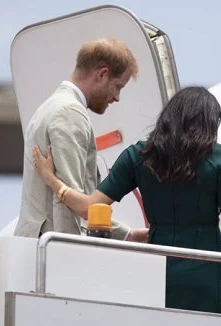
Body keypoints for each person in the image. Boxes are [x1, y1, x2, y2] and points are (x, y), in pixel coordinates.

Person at [32, 86, 221, 316]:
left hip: (156, 271)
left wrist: (51, 179)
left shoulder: (138, 156)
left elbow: (89, 208)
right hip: (203, 273)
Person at [14, 38, 147, 242]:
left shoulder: (50, 106)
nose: (117, 97)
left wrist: (127, 235)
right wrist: (71, 255)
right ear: (102, 74)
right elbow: (67, 204)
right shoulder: (69, 113)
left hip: (35, 245)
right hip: (54, 251)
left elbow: (73, 199)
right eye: (118, 86)